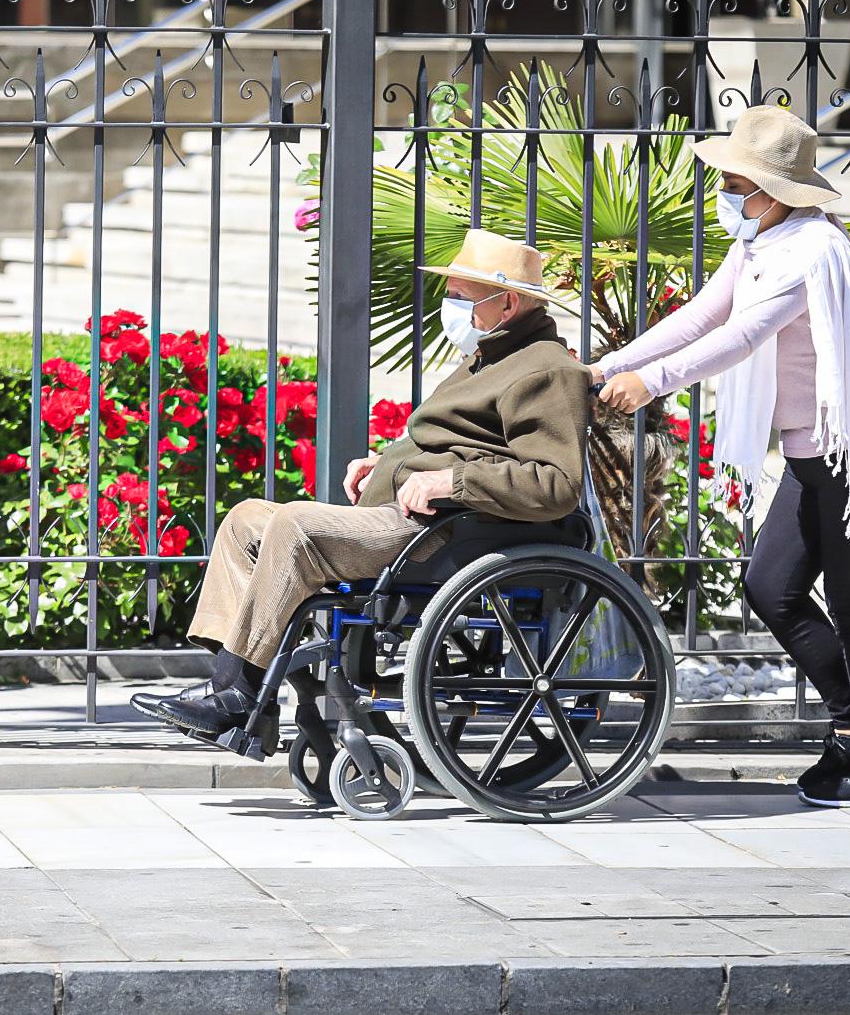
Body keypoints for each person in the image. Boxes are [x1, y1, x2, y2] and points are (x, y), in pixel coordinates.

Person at [135, 229, 590, 749]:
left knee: (295, 526)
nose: (452, 307)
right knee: (246, 521)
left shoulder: (547, 369)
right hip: (421, 517)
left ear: (507, 302)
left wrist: (451, 480)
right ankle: (234, 685)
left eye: (462, 296)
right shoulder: (491, 356)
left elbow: (556, 485)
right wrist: (386, 464)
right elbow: (458, 441)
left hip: (449, 531)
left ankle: (237, 696)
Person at [591, 104, 850, 808]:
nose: (724, 195)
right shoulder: (760, 243)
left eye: (736, 184)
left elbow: (741, 337)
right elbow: (702, 315)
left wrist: (651, 382)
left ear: (774, 191)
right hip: (812, 452)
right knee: (771, 587)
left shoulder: (813, 253)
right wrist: (609, 365)